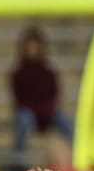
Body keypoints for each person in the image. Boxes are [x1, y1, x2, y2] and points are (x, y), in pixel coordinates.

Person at [9, 26, 74, 161]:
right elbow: (20, 100)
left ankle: (78, 156)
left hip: (48, 111)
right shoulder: (18, 73)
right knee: (23, 120)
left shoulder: (49, 72)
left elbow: (54, 95)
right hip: (29, 112)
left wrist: (46, 111)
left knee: (68, 124)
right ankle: (17, 160)